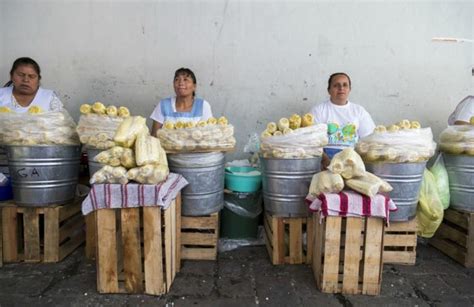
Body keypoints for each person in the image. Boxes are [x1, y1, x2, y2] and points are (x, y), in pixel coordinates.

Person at [310, 72, 376, 165]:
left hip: (352, 160)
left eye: (345, 85)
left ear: (349, 89)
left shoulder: (359, 111)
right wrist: (325, 160)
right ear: (329, 90)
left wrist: (357, 162)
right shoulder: (319, 110)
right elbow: (312, 141)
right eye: (336, 85)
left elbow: (369, 139)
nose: (341, 88)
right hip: (324, 159)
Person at [150, 68, 213, 136]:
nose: (181, 83)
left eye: (185, 80)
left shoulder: (203, 105)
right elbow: (154, 135)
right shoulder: (163, 105)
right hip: (165, 146)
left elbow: (208, 136)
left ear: (194, 86)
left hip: (196, 147)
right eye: (177, 80)